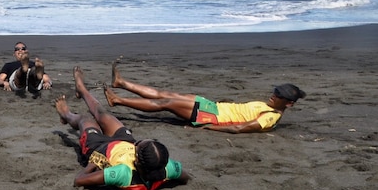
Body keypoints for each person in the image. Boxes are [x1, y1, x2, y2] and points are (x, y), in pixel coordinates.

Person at [53, 66, 188, 190]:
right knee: (103, 114)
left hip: (99, 148)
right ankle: (82, 90)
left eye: (139, 146)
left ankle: (66, 115)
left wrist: (92, 164)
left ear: (137, 161)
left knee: (85, 119)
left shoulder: (123, 173)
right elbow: (185, 177)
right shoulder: (166, 168)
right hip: (125, 142)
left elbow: (79, 180)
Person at [104, 61, 306, 134]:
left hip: (212, 117)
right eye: (275, 90)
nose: (274, 95)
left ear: (288, 103)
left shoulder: (271, 117)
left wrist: (209, 127)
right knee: (167, 94)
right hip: (213, 106)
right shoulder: (268, 105)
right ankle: (121, 84)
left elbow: (240, 128)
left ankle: (118, 100)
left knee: (165, 103)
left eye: (279, 95)